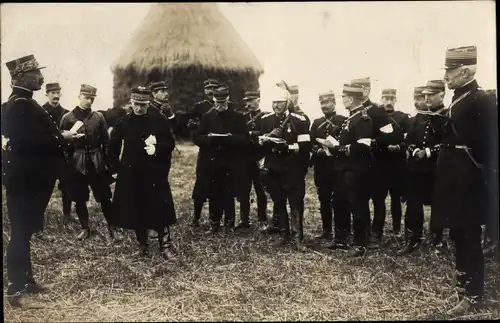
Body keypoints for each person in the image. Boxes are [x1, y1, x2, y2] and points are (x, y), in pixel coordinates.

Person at [2, 54, 77, 308]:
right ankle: (15, 291)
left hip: (25, 177)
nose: (41, 77)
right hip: (27, 179)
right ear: (21, 77)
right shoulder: (23, 105)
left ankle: (27, 280)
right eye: (35, 73)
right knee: (21, 232)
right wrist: (63, 138)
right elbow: (30, 143)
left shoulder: (16, 103)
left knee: (24, 230)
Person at [431, 46, 496, 315]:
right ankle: (463, 288)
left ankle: (473, 294)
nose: (446, 76)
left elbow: (489, 144)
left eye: (451, 71)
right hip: (452, 177)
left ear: (466, 71)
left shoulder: (480, 100)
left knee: (468, 235)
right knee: (458, 233)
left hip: (468, 178)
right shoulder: (460, 98)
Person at [108, 87, 178, 259]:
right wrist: (115, 169)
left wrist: (156, 149)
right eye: (136, 104)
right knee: (136, 207)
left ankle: (166, 245)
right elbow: (113, 148)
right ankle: (143, 246)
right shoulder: (123, 122)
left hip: (153, 172)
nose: (139, 108)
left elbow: (170, 144)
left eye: (143, 105)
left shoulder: (159, 121)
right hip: (131, 173)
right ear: (131, 103)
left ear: (148, 103)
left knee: (159, 207)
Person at [59, 84, 121, 241]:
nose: (89, 101)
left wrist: (108, 162)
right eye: (86, 97)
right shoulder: (67, 118)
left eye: (92, 98)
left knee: (104, 196)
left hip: (97, 161)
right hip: (76, 163)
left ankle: (113, 228)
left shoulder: (98, 117)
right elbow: (61, 144)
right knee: (79, 197)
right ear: (79, 96)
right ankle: (85, 228)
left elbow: (106, 141)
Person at [397, 80, 448, 256]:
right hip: (415, 170)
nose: (426, 99)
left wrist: (427, 152)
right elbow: (408, 139)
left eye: (430, 95)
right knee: (413, 205)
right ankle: (412, 240)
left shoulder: (447, 116)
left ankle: (437, 241)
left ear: (441, 95)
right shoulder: (417, 117)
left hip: (437, 169)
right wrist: (414, 148)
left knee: (438, 205)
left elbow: (448, 144)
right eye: (424, 95)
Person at [322, 83, 373, 256]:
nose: (342, 99)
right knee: (340, 203)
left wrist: (337, 149)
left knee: (357, 205)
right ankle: (341, 240)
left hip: (355, 170)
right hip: (342, 169)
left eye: (344, 97)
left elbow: (363, 146)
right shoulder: (350, 118)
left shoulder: (363, 119)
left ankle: (360, 244)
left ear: (351, 99)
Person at [258, 86, 311, 251]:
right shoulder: (266, 120)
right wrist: (262, 142)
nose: (276, 106)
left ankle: (298, 237)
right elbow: (261, 144)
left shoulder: (299, 121)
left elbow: (305, 145)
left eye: (280, 102)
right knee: (279, 201)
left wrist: (287, 147)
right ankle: (284, 233)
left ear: (288, 103)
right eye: (274, 102)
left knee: (295, 202)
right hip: (273, 167)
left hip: (292, 168)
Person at [193, 84, 250, 234]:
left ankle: (229, 224)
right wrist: (208, 139)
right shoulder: (207, 116)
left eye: (223, 102)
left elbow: (245, 138)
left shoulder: (237, 117)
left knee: (228, 193)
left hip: (230, 163)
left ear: (228, 99)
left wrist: (231, 138)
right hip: (212, 162)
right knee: (213, 193)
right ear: (213, 100)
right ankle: (214, 223)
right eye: (217, 102)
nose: (220, 105)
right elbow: (197, 137)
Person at [350, 77, 398, 249]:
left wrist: (374, 142)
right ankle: (362, 233)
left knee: (378, 199)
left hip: (377, 163)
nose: (356, 92)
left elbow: (392, 136)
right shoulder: (354, 112)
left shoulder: (377, 111)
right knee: (361, 199)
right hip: (360, 164)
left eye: (360, 89)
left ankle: (376, 234)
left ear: (367, 90)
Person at [309, 90, 347, 243]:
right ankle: (326, 230)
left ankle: (342, 232)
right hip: (322, 167)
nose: (324, 106)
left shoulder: (343, 120)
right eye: (322, 103)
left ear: (334, 103)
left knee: (340, 199)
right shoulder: (316, 123)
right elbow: (310, 142)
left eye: (327, 102)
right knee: (323, 198)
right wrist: (317, 150)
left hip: (338, 166)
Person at [377, 88, 410, 236]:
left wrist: (399, 147)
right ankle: (377, 229)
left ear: (395, 100)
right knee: (379, 198)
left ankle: (397, 228)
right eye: (386, 98)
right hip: (381, 163)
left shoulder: (403, 118)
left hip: (397, 163)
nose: (389, 102)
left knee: (396, 197)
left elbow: (409, 139)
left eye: (391, 99)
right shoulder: (376, 116)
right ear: (381, 99)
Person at [234, 89, 268, 231]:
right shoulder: (241, 117)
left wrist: (250, 134)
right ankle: (244, 220)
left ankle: (262, 220)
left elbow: (266, 133)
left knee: (260, 190)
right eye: (246, 101)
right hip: (244, 158)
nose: (248, 104)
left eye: (250, 101)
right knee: (243, 190)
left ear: (258, 100)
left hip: (259, 158)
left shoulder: (265, 117)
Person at [41, 82, 73, 226]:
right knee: (44, 187)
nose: (55, 95)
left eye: (57, 92)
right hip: (46, 157)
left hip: (63, 156)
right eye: (52, 93)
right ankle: (39, 217)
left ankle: (67, 215)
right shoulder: (40, 112)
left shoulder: (66, 113)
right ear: (46, 94)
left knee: (67, 185)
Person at [189, 78, 219, 227]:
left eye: (213, 87)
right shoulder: (199, 107)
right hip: (206, 150)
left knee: (217, 185)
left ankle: (215, 219)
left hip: (220, 151)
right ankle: (196, 217)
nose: (210, 90)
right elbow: (192, 127)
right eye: (207, 88)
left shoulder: (225, 107)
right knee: (201, 185)